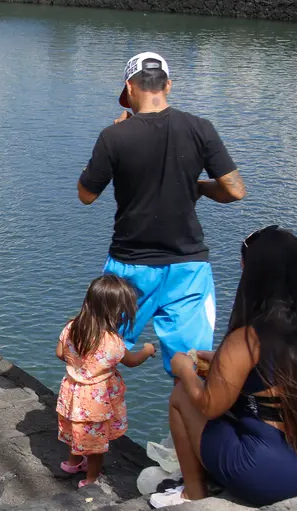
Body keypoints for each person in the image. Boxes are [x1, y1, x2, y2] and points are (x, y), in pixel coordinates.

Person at [149, 226, 297, 508]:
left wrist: (184, 368)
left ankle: (193, 494)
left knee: (183, 395)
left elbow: (210, 406)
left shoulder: (248, 338)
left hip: (272, 475)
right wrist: (221, 360)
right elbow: (275, 374)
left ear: (253, 275)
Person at [78, 52, 246, 374]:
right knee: (194, 368)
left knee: (98, 356)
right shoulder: (200, 128)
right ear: (167, 86)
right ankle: (191, 422)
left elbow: (86, 195)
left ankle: (90, 420)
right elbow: (235, 190)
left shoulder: (114, 136)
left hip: (130, 266)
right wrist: (198, 187)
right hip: (188, 268)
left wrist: (109, 147)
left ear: (129, 89)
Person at [56, 275, 157, 488]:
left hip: (72, 391)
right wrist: (147, 351)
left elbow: (59, 353)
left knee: (76, 429)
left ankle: (72, 463)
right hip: (96, 400)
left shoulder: (72, 327)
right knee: (95, 442)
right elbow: (131, 362)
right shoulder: (113, 342)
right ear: (116, 312)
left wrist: (78, 363)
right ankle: (91, 478)